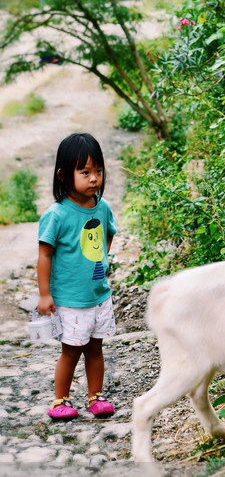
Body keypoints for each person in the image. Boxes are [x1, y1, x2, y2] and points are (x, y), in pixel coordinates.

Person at [37, 133, 117, 420]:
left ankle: (96, 396)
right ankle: (60, 400)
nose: (94, 178)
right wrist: (45, 294)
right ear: (63, 175)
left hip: (98, 295)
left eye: (98, 171)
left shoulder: (102, 207)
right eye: (85, 172)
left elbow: (108, 234)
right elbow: (44, 255)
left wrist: (100, 262)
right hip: (70, 299)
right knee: (71, 351)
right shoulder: (56, 215)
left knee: (96, 348)